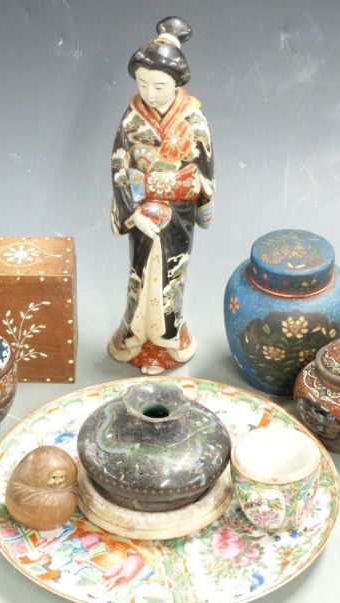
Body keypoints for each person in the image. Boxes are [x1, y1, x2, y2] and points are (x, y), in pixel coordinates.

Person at [108, 16, 215, 375]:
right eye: (142, 84)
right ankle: (134, 337)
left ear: (176, 82)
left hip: (179, 209)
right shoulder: (132, 119)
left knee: (172, 274)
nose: (149, 93)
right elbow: (119, 165)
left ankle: (168, 341)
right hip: (141, 207)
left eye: (158, 85)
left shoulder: (193, 119)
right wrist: (132, 212)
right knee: (140, 272)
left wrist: (202, 205)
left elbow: (205, 165)